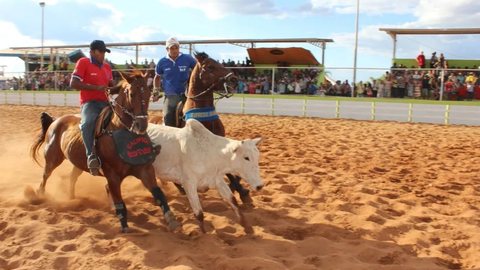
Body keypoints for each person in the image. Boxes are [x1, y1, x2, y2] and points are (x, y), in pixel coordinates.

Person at [70, 40, 113, 175]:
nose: (103, 55)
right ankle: (91, 155)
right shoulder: (83, 62)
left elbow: (111, 84)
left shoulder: (107, 67)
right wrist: (96, 88)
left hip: (106, 103)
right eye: (101, 52)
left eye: (104, 52)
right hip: (90, 103)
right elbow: (73, 83)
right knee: (88, 123)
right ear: (92, 52)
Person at [152, 37, 196, 126]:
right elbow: (157, 77)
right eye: (172, 48)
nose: (175, 50)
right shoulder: (162, 62)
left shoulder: (187, 58)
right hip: (170, 96)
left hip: (187, 95)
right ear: (167, 49)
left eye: (176, 47)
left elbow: (197, 69)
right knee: (168, 117)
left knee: (192, 117)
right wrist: (156, 92)